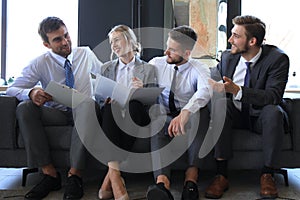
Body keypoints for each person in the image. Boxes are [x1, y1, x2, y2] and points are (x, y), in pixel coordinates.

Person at [6, 16, 103, 200]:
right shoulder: (40, 62)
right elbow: (12, 88)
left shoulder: (85, 54)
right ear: (46, 44)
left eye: (66, 35)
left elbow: (107, 75)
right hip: (56, 112)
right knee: (25, 108)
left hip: (84, 111)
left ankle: (75, 176)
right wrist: (32, 92)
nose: (65, 42)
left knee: (87, 103)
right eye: (58, 39)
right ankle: (50, 174)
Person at [206, 15, 289, 199]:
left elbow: (273, 96)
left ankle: (267, 174)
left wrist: (238, 90)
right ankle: (221, 175)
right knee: (221, 104)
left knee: (274, 112)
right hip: (234, 114)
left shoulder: (277, 59)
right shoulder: (228, 57)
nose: (230, 40)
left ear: (252, 41)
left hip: (260, 116)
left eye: (235, 36)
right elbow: (216, 81)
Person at [146, 25, 211, 200]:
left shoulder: (199, 68)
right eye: (167, 46)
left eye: (173, 50)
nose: (166, 52)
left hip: (188, 119)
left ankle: (191, 182)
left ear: (187, 53)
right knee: (157, 119)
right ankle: (162, 185)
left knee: (202, 112)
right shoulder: (156, 63)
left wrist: (186, 112)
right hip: (165, 118)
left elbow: (205, 90)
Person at [96, 24, 157, 200]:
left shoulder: (149, 69)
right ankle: (115, 180)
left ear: (129, 41)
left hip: (136, 114)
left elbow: (154, 101)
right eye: (110, 42)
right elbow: (99, 97)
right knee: (109, 107)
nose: (113, 45)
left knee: (134, 103)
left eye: (116, 40)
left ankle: (111, 178)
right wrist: (107, 98)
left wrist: (143, 89)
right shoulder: (106, 68)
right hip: (113, 115)